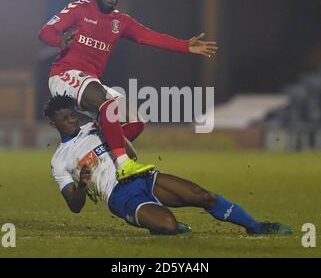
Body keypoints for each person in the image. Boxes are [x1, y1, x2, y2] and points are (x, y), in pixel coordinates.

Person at [38, 0, 218, 182]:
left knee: (136, 121)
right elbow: (45, 32)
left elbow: (149, 37)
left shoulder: (120, 22)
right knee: (107, 103)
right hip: (64, 74)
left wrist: (185, 46)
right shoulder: (79, 9)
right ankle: (123, 164)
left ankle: (93, 152)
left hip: (90, 81)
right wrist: (60, 41)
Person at [44, 95, 293, 236]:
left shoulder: (95, 128)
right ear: (53, 124)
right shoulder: (60, 160)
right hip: (119, 196)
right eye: (64, 119)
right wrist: (83, 182)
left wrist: (111, 124)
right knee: (169, 225)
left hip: (143, 177)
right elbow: (74, 206)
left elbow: (137, 125)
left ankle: (256, 226)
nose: (72, 121)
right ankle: (157, 225)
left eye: (73, 115)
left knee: (202, 195)